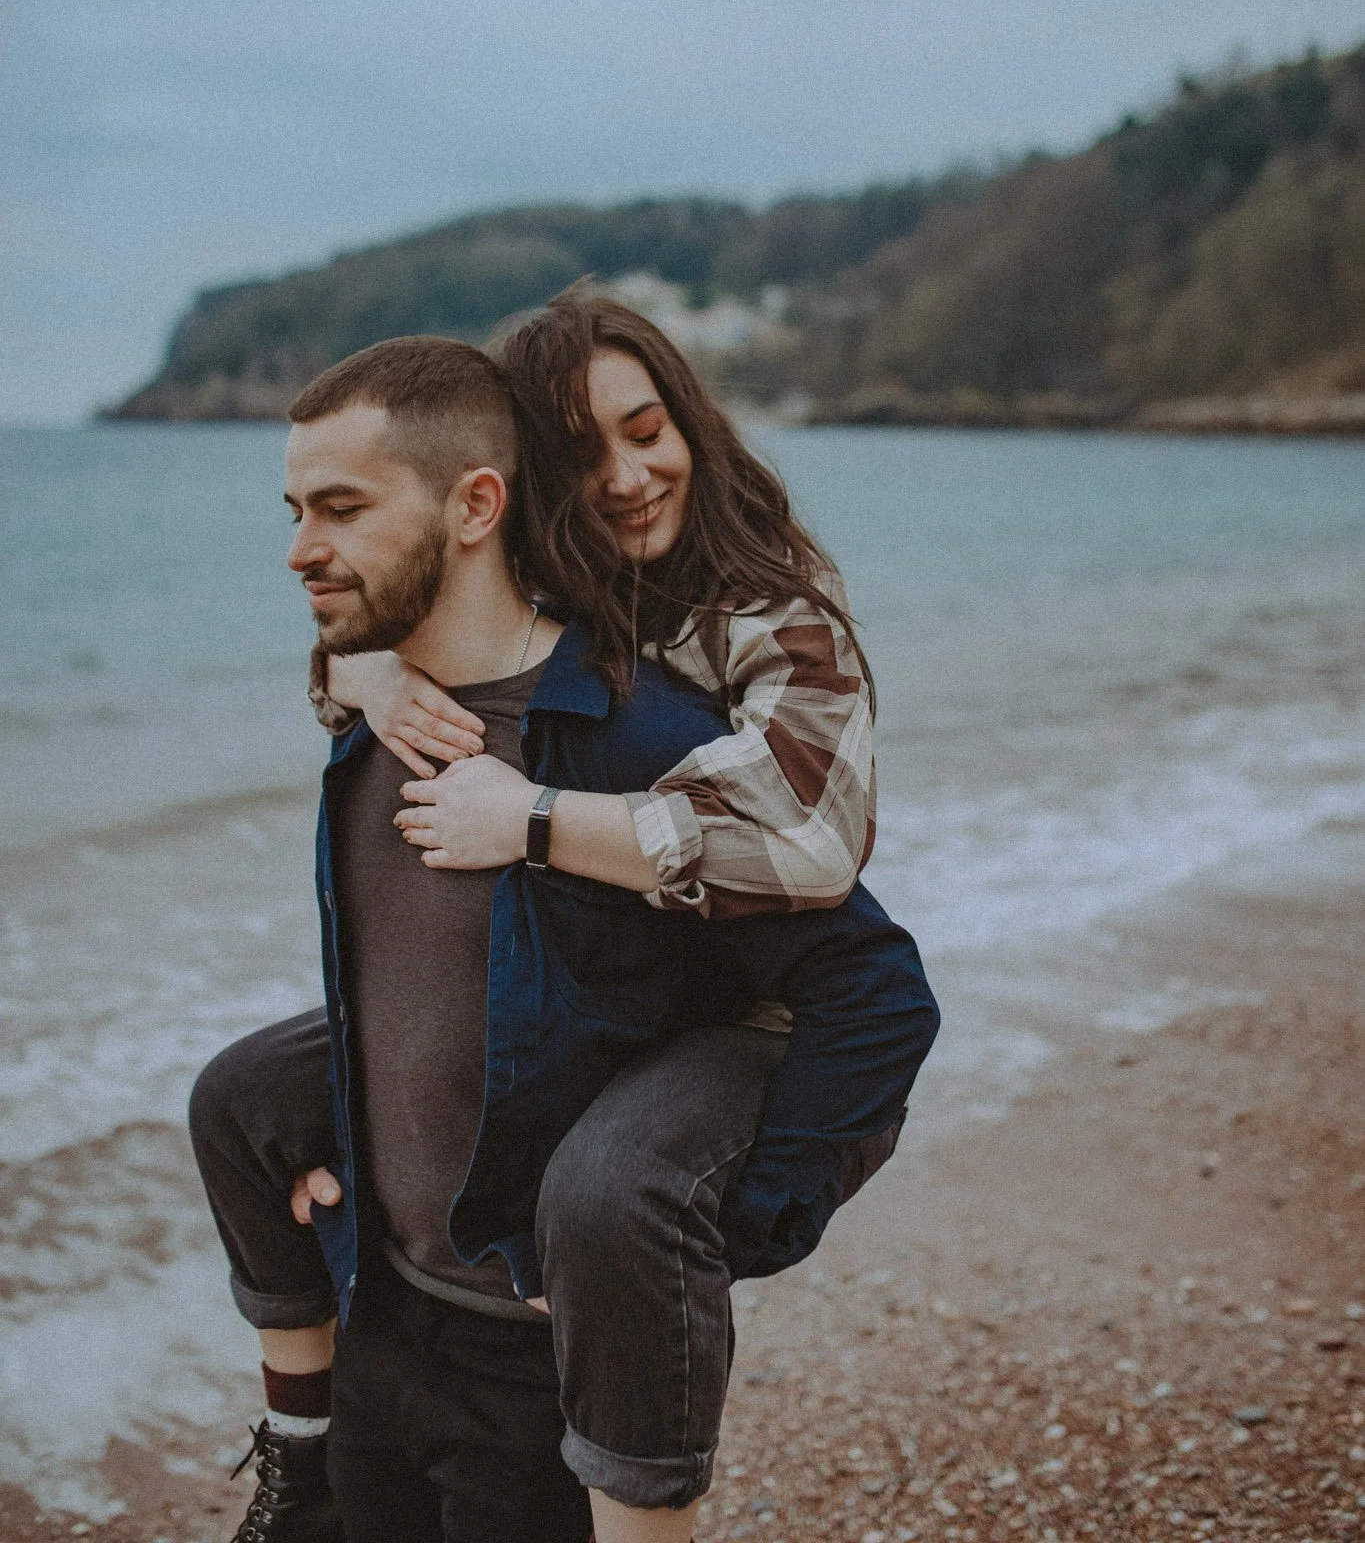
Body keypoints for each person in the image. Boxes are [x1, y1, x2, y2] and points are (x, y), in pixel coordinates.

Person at [190, 319, 938, 1543]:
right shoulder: (454, 664)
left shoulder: (763, 619)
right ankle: (302, 1452)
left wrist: (533, 815)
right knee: (244, 1096)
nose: (627, 477)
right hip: (422, 1279)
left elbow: (813, 855)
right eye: (585, 452)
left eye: (649, 432)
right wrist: (362, 670)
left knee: (611, 1187)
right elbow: (395, 579)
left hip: (745, 997)